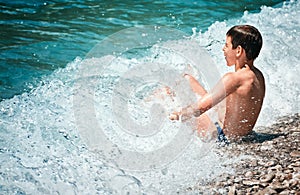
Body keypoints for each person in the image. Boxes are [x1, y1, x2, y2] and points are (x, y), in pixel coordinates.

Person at [169, 24, 265, 141]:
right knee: (187, 79)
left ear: (238, 51)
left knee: (172, 96)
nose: (223, 49)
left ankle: (148, 107)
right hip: (240, 133)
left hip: (222, 137)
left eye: (226, 45)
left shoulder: (234, 78)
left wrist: (177, 113)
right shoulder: (257, 75)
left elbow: (198, 109)